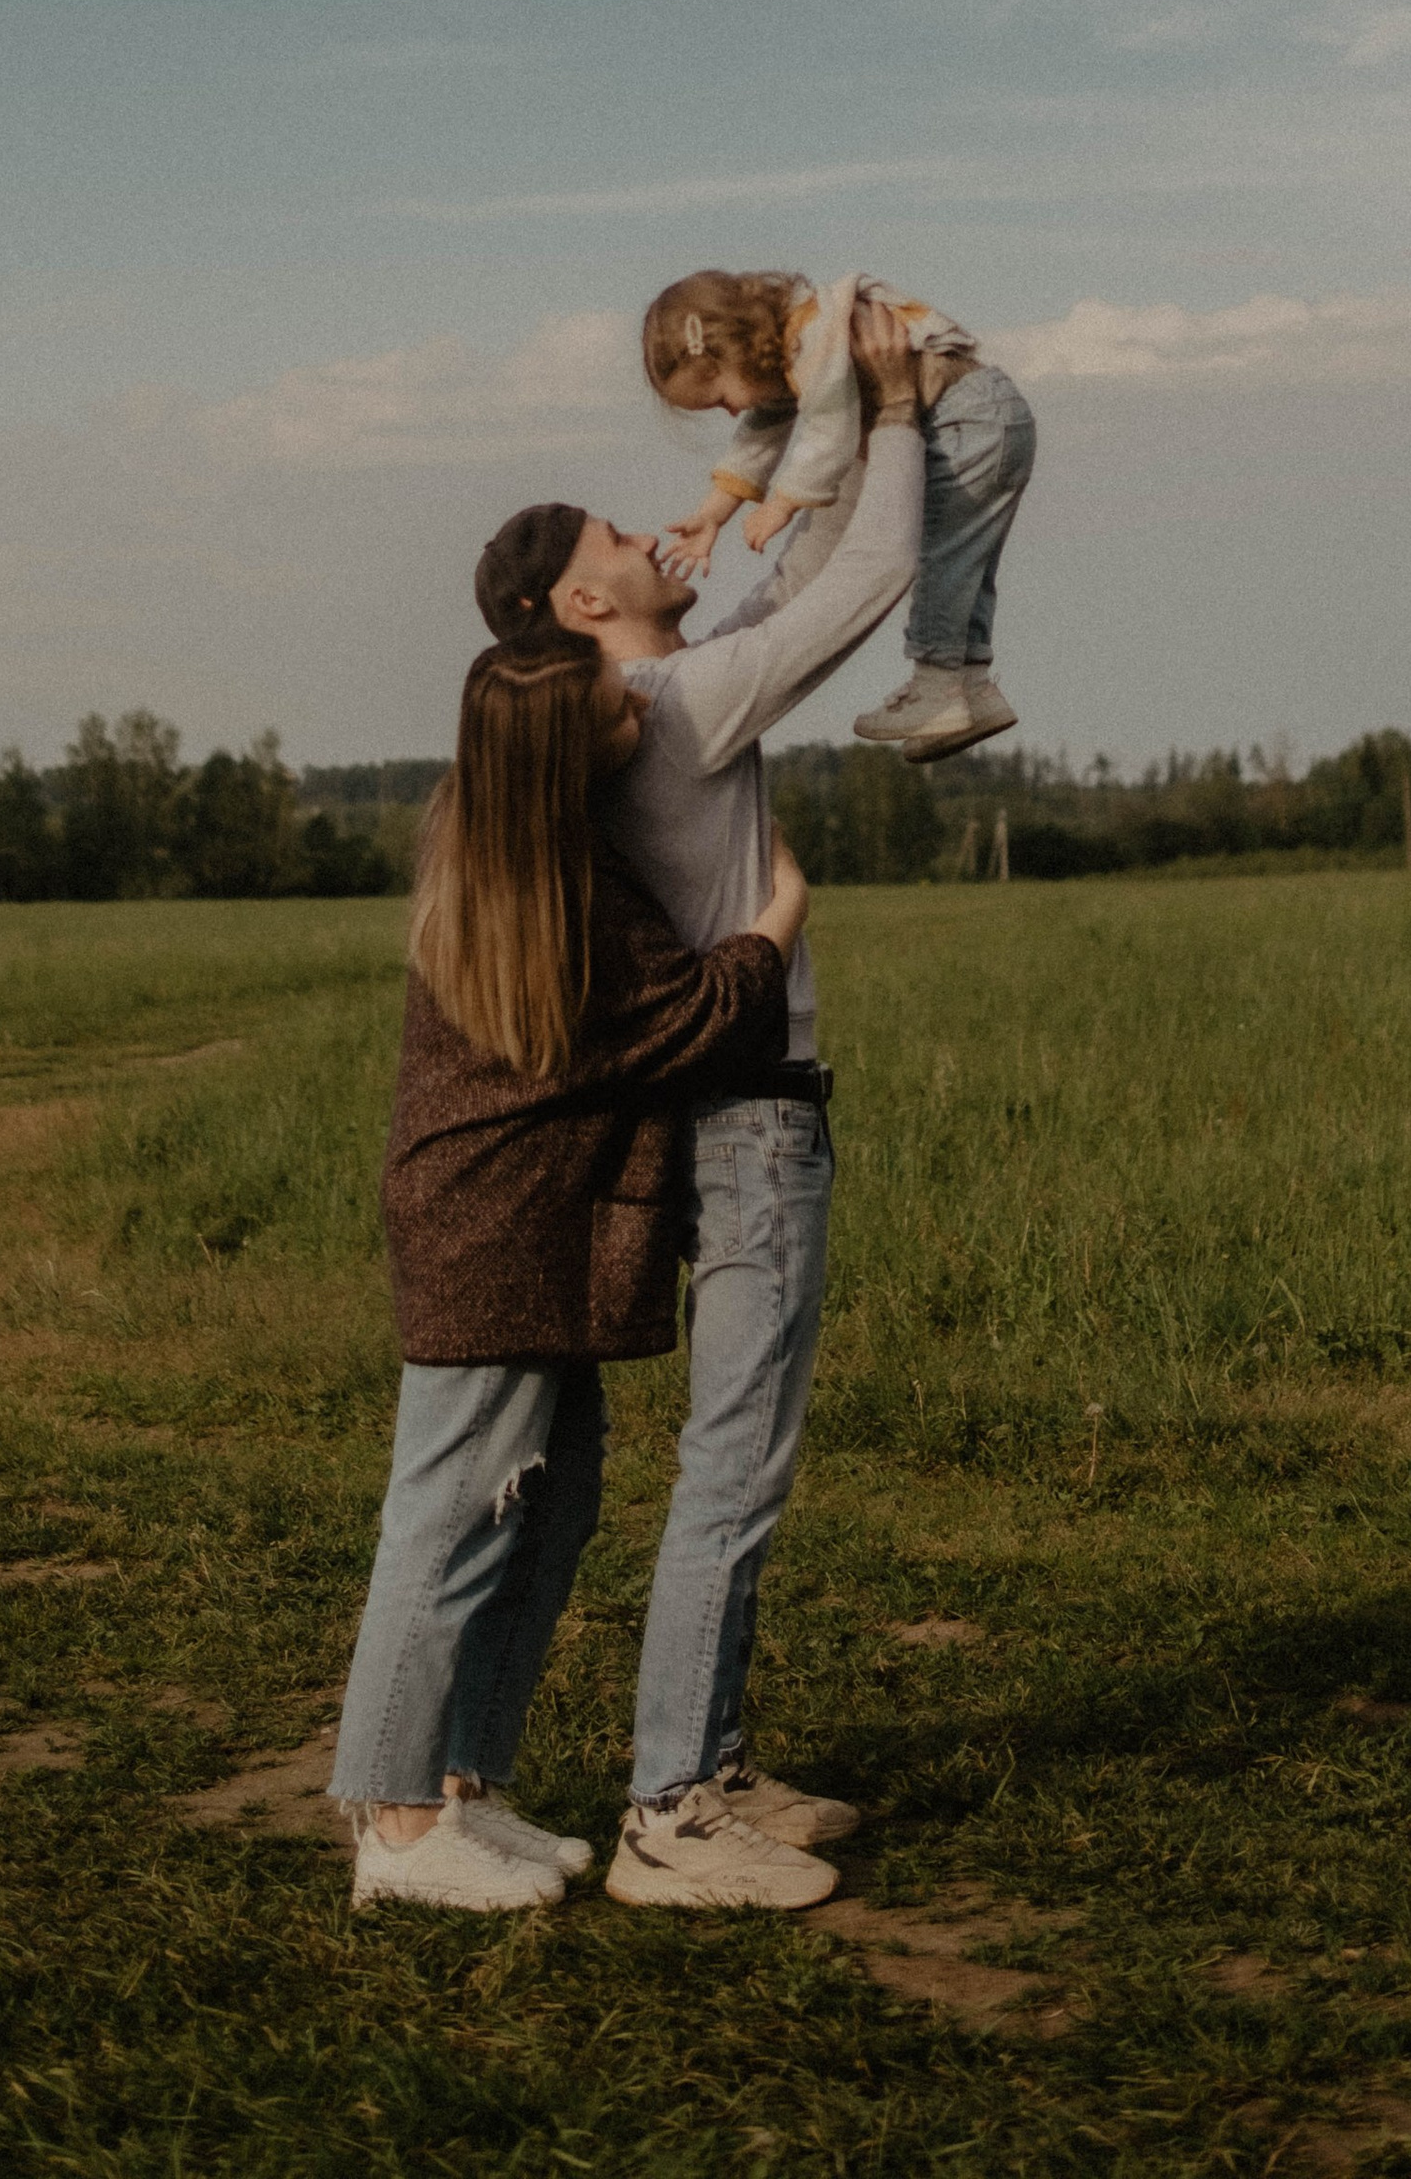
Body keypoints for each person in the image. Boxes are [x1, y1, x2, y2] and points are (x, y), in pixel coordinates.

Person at [472, 291, 925, 1907]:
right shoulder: (675, 704)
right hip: (754, 1114)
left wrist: (805, 454)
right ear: (584, 594)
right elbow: (867, 586)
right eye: (625, 531)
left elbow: (792, 582)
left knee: (735, 1448)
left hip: (720, 1108)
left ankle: (713, 1763)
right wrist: (903, 412)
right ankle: (673, 1810)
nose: (658, 532)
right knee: (737, 1455)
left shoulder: (662, 699)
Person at [328, 635, 811, 1913]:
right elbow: (687, 1015)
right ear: (561, 756)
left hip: (526, 1226)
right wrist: (776, 921)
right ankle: (390, 1818)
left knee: (542, 1504)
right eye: (613, 714)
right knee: (447, 1522)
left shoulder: (522, 849)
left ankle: (462, 1792)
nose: (636, 719)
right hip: (492, 1230)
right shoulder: (552, 883)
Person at [641, 268, 1036, 765]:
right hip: (985, 418)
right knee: (965, 565)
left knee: (942, 559)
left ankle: (937, 686)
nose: (727, 412)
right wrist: (712, 516)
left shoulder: (814, 340)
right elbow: (760, 430)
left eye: (719, 398)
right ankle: (971, 686)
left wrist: (782, 503)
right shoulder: (792, 349)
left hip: (964, 418)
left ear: (726, 352)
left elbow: (829, 427)